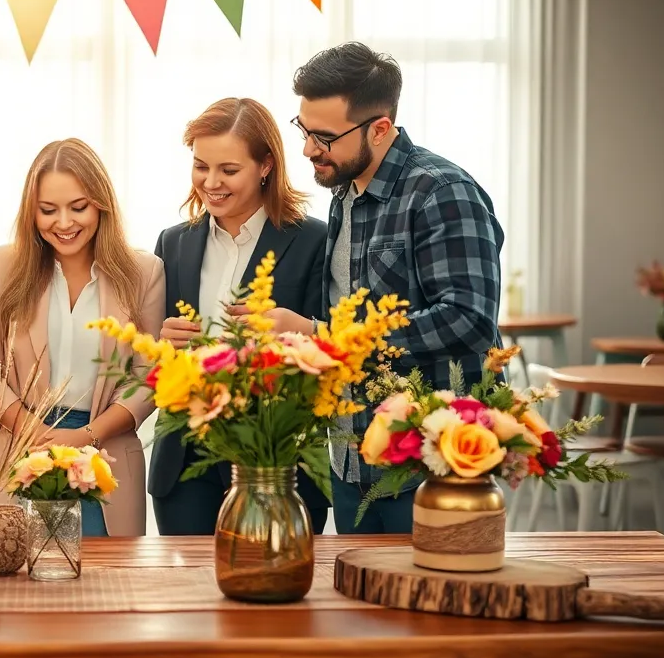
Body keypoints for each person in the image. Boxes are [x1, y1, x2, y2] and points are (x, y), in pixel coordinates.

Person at [272, 42, 504, 534]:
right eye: (304, 129)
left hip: (428, 464)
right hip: (351, 460)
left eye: (324, 136)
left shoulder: (443, 192)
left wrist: (322, 335)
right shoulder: (345, 193)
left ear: (380, 129)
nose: (309, 149)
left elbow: (469, 320)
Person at [149, 97, 331, 536]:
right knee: (188, 596)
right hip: (184, 459)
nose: (210, 182)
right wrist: (161, 341)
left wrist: (294, 333)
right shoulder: (173, 243)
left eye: (228, 170)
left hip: (277, 461)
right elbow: (150, 357)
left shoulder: (313, 240)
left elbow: (332, 348)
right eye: (200, 166)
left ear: (266, 165)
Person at [0, 138, 165, 537]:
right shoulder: (4, 265)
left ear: (101, 205)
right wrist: (32, 431)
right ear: (31, 212)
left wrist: (85, 436)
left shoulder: (144, 271)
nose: (64, 222)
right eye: (48, 210)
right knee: (16, 582)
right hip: (14, 445)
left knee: (103, 583)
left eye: (78, 207)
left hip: (106, 450)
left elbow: (149, 377)